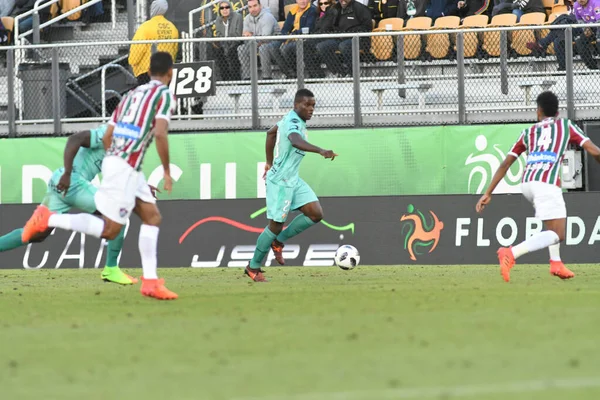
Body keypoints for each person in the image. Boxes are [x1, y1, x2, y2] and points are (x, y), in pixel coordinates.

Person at [22, 52, 178, 300]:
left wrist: (117, 162)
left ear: (148, 73)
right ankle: (49, 220)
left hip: (121, 164)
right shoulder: (165, 95)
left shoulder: (131, 95)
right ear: (170, 72)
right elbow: (160, 133)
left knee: (152, 216)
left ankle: (150, 281)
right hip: (125, 167)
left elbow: (108, 135)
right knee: (110, 230)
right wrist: (166, 171)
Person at [475, 91, 600, 282]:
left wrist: (488, 192)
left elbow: (505, 164)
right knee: (558, 234)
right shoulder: (566, 126)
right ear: (558, 112)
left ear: (538, 111)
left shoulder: (528, 132)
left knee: (551, 224)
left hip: (527, 183)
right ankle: (511, 253)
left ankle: (556, 263)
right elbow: (594, 150)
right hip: (546, 183)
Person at [0, 126, 139, 285]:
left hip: (61, 182)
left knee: (37, 234)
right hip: (71, 181)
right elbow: (76, 139)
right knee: (117, 214)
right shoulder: (112, 131)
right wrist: (67, 174)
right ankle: (111, 269)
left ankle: (47, 220)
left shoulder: (127, 146)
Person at [245, 89, 337, 282]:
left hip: (292, 178)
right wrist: (320, 150)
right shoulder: (293, 122)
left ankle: (278, 242)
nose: (311, 109)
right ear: (296, 105)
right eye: (307, 105)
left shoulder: (290, 119)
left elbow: (270, 134)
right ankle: (253, 267)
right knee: (275, 225)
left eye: (313, 105)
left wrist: (269, 161)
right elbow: (295, 141)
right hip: (281, 181)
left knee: (315, 213)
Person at [129, 0, 179, 86]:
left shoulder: (145, 27)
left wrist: (132, 62)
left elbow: (137, 49)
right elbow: (174, 50)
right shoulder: (172, 28)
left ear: (153, 9)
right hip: (166, 71)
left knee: (149, 97)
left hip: (146, 71)